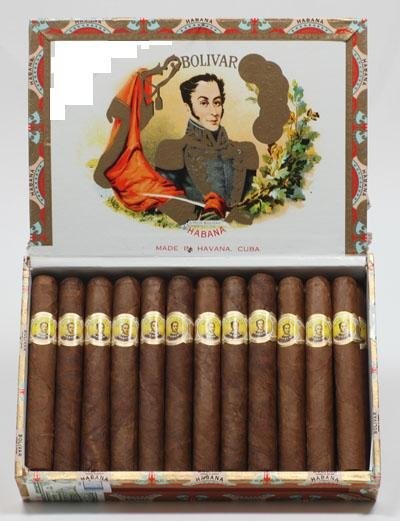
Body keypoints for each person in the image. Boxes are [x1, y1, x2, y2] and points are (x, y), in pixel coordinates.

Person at [155, 73, 259, 224]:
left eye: (217, 102)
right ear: (188, 107)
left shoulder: (245, 151)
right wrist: (205, 215)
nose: (214, 111)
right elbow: (165, 204)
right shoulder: (172, 150)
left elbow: (254, 204)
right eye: (204, 103)